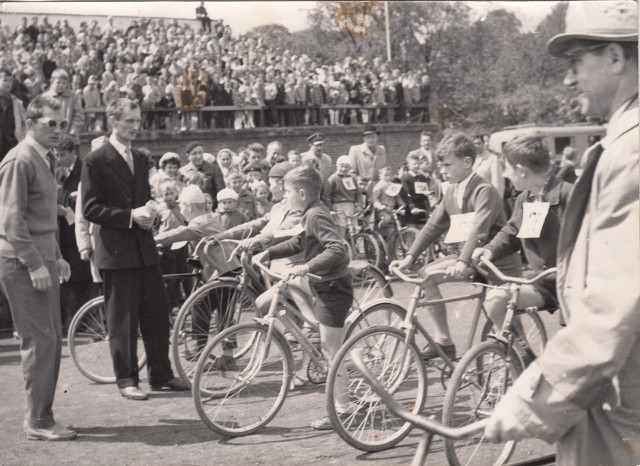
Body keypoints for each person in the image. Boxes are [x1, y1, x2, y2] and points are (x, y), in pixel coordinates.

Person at [485, 3, 640, 464]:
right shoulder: (618, 145)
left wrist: (532, 400)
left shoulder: (628, 153)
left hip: (623, 403)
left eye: (576, 63)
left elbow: (617, 297)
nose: (569, 80)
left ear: (615, 56)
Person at [82, 98, 189, 400]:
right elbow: (91, 209)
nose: (135, 125)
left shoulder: (142, 158)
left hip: (144, 249)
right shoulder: (96, 160)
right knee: (123, 321)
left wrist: (150, 212)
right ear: (113, 121)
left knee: (156, 315)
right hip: (117, 252)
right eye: (128, 120)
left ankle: (161, 375)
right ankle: (127, 379)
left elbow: (142, 200)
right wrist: (130, 216)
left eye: (137, 119)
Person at [394, 132, 521, 360]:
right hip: (470, 260)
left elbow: (478, 231)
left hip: (496, 263)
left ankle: (527, 362)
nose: (442, 170)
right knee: (426, 275)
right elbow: (433, 226)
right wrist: (410, 257)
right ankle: (444, 342)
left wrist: (462, 261)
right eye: (440, 165)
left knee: (510, 329)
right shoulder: (451, 191)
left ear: (467, 162)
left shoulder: (485, 191)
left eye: (447, 165)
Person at [253, 166, 353, 430]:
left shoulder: (317, 214)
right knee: (327, 342)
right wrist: (269, 253)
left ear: (301, 192)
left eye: (287, 192)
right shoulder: (310, 213)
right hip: (321, 285)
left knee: (333, 351)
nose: (285, 198)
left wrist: (307, 266)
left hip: (333, 288)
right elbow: (298, 243)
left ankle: (342, 411)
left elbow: (337, 250)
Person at [0, 95, 76, 441]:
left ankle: (43, 414)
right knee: (40, 341)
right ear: (30, 124)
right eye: (51, 123)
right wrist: (34, 264)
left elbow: (42, 218)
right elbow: (11, 220)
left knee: (50, 340)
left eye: (63, 123)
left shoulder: (44, 158)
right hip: (20, 262)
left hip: (42, 258)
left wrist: (56, 255)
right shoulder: (19, 159)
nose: (59, 130)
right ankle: (38, 421)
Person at [472, 135, 573, 331]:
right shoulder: (524, 199)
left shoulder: (569, 195)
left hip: (574, 285)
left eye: (507, 169)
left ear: (521, 171)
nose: (505, 175)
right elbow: (512, 232)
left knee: (576, 348)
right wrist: (489, 250)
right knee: (495, 300)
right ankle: (520, 356)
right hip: (543, 283)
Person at [55, 135, 99, 331]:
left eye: (62, 154)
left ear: (73, 153)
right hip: (63, 230)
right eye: (56, 154)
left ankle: (88, 320)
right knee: (69, 276)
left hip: (79, 229)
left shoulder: (84, 170)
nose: (59, 158)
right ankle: (73, 318)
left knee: (83, 276)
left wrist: (72, 203)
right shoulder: (58, 173)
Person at [41, 69, 84, 151]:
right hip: (51, 138)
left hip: (70, 138)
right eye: (58, 82)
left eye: (64, 83)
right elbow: (42, 117)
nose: (61, 85)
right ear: (52, 82)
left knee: (73, 161)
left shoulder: (73, 97)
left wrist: (72, 133)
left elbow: (79, 116)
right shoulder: (45, 98)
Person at [322, 155, 362, 237]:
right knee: (341, 229)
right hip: (339, 207)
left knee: (355, 229)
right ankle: (342, 246)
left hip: (352, 206)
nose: (343, 169)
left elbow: (358, 193)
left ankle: (360, 249)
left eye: (346, 167)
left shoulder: (352, 179)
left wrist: (359, 205)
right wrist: (330, 208)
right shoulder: (332, 179)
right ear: (337, 166)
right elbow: (326, 195)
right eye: (341, 166)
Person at [179, 142, 225, 209]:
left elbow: (221, 192)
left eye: (200, 153)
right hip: (190, 210)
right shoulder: (182, 171)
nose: (198, 156)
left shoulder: (214, 169)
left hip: (210, 209)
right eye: (194, 153)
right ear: (188, 156)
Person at [0, 68, 26, 162]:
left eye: (10, 81)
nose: (8, 84)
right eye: (5, 80)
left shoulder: (17, 102)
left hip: (11, 145)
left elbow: (24, 123)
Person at [473, 133, 505, 199]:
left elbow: (497, 184)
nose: (476, 146)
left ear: (483, 144)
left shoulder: (492, 159)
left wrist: (496, 201)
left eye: (478, 143)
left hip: (488, 198)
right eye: (473, 144)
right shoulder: (469, 160)